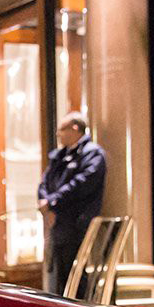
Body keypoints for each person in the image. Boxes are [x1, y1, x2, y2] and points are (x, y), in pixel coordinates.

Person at [38, 111, 107, 294]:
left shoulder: (92, 153)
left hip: (77, 223)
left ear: (75, 128)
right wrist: (46, 204)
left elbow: (81, 184)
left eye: (62, 129)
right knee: (59, 275)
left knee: (76, 273)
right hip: (58, 223)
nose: (58, 134)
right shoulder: (59, 156)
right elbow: (44, 182)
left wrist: (53, 202)